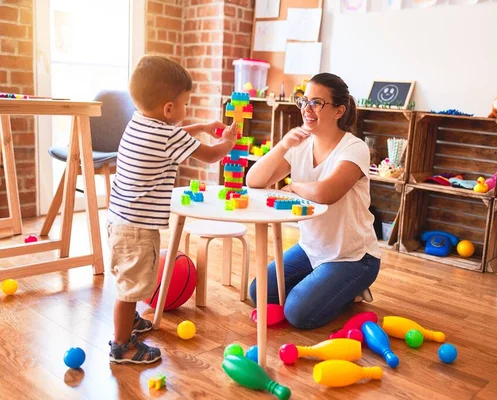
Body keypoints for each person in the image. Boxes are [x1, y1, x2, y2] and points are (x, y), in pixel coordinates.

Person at [107, 55, 238, 364]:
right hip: (138, 229)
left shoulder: (139, 121)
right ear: (169, 108)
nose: (185, 110)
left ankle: (127, 327)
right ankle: (121, 346)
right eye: (184, 104)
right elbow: (210, 155)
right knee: (129, 290)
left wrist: (203, 126)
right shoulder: (167, 134)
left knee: (130, 282)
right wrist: (228, 142)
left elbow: (174, 134)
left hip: (120, 221)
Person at [245, 72, 381, 329]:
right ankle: (325, 283)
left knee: (298, 313)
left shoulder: (354, 149)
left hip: (353, 257)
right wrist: (283, 146)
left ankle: (349, 289)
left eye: (316, 102)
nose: (307, 108)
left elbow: (326, 193)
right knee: (260, 292)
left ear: (339, 111)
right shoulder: (300, 146)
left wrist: (294, 186)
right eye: (304, 100)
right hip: (311, 250)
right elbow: (254, 180)